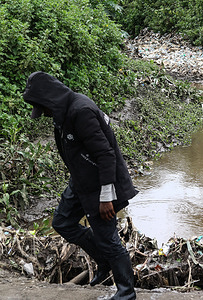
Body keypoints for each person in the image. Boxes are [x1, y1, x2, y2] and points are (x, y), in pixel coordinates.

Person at [23, 71, 138, 300]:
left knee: (108, 238)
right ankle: (103, 261)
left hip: (101, 185)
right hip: (81, 182)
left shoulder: (80, 111)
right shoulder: (62, 113)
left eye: (42, 107)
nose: (43, 113)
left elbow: (106, 155)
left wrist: (106, 197)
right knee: (62, 222)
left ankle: (126, 293)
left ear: (49, 99)